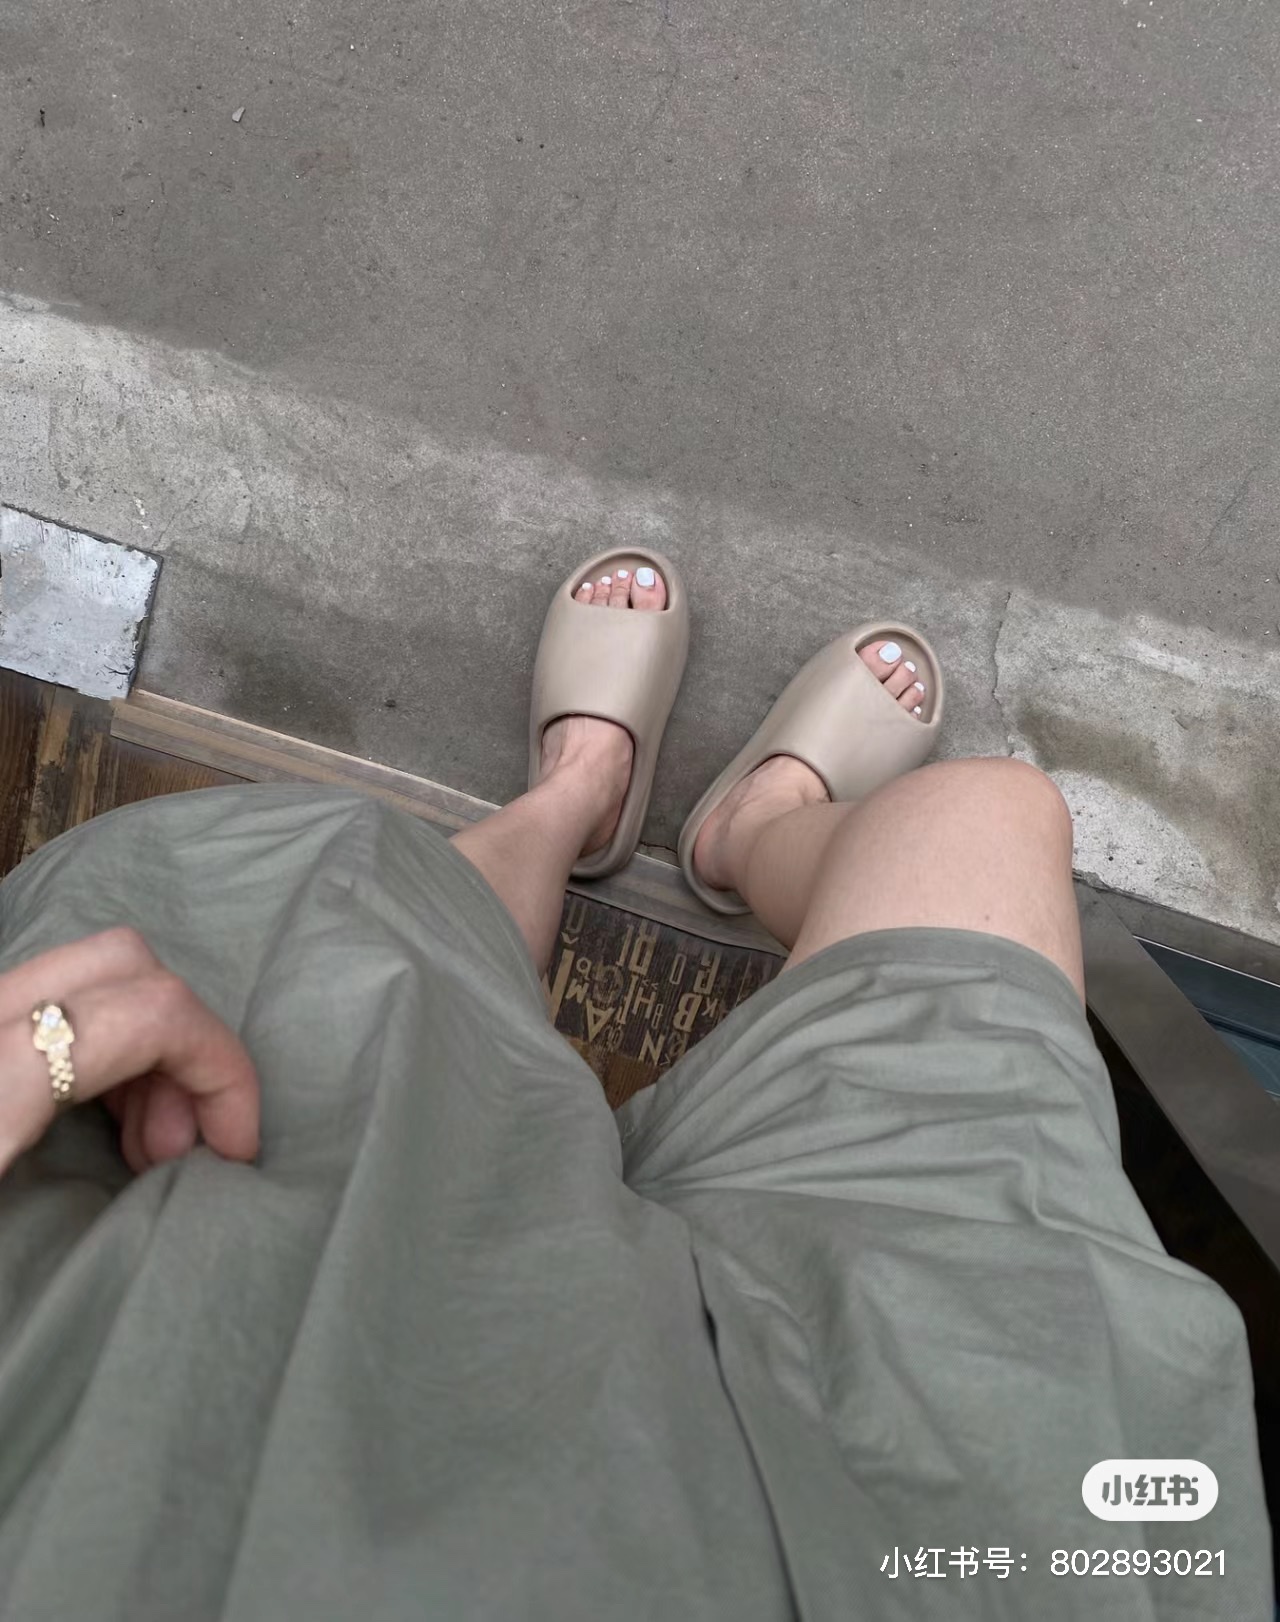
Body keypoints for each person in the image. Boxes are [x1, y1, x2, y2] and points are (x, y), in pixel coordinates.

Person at [0, 553, 1268, 1621]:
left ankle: (573, 804)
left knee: (376, 956)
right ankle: (746, 831)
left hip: (159, 1328)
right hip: (877, 1527)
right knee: (982, 823)